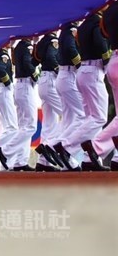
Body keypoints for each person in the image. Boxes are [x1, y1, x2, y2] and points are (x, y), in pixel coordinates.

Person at [76, 7, 111, 171]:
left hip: (83, 69)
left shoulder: (83, 25)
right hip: (93, 70)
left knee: (90, 117)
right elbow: (100, 43)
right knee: (99, 118)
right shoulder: (97, 21)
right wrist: (107, 61)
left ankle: (89, 159)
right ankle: (63, 144)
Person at [0, 39, 39, 171]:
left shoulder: (19, 47)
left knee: (24, 126)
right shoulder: (26, 46)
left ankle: (20, 161)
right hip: (26, 86)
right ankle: (6, 151)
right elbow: (28, 63)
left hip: (20, 86)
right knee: (31, 126)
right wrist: (36, 76)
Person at [53, 21, 87, 170]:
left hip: (64, 75)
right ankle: (59, 145)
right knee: (84, 116)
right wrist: (80, 65)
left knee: (69, 119)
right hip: (69, 75)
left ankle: (68, 163)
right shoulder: (71, 29)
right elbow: (70, 47)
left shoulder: (65, 30)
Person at [90, 0, 117, 169]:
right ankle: (95, 146)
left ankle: (116, 158)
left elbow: (104, 33)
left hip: (113, 60)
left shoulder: (107, 13)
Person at [33, 32, 64, 171]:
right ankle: (49, 146)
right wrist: (60, 71)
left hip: (43, 81)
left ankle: (43, 162)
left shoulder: (42, 41)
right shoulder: (52, 40)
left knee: (49, 123)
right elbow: (52, 57)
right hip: (51, 79)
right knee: (71, 116)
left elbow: (34, 61)